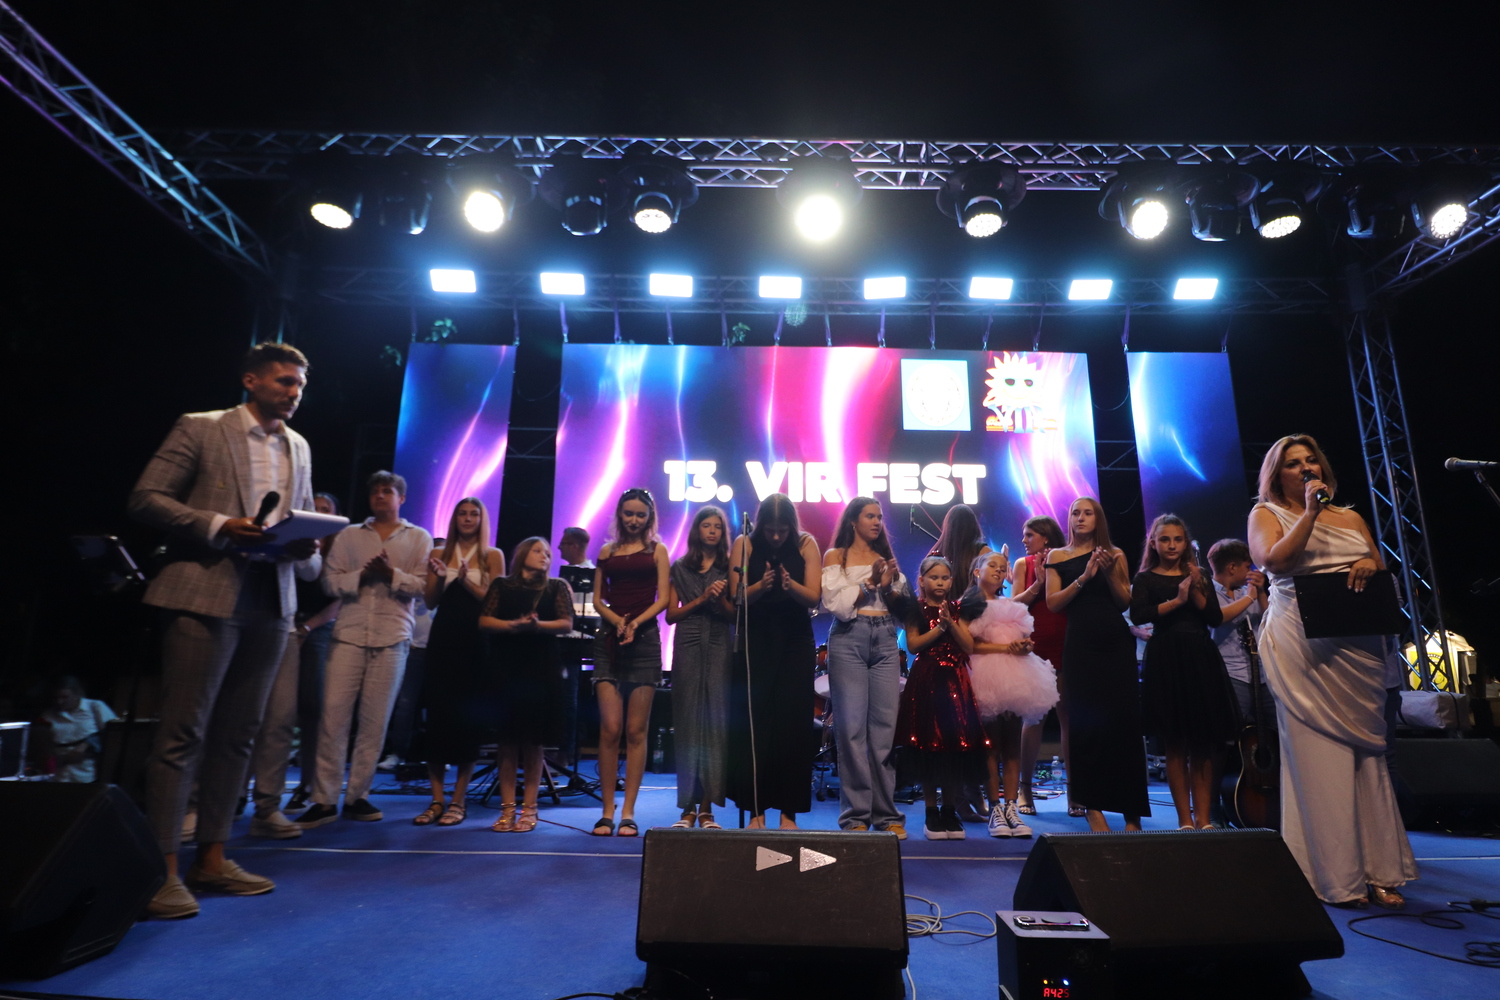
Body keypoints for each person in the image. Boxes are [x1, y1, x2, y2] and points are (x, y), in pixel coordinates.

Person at [128, 341, 317, 919]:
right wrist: (217, 524)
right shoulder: (202, 427)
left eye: (300, 385)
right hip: (203, 592)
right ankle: (160, 870)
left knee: (240, 735)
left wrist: (304, 547)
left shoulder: (299, 446)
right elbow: (145, 498)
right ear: (251, 380)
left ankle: (211, 858)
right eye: (284, 381)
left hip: (271, 598)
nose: (294, 393)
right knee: (183, 733)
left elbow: (301, 521)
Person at [1248, 434, 1417, 908]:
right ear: (1277, 474)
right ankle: (1335, 876)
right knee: (1319, 761)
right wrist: (1309, 512)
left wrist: (1366, 561)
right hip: (1302, 645)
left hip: (1357, 646)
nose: (1306, 468)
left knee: (1368, 758)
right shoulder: (1265, 514)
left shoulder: (1352, 517)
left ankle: (1380, 870)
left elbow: (1379, 567)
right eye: (1293, 463)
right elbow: (1273, 560)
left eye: (1311, 460)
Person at [298, 472, 432, 828]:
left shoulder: (419, 537)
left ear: (401, 498)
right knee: (333, 719)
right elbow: (329, 582)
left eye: (387, 491)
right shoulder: (349, 535)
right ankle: (324, 799)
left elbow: (422, 587)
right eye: (375, 491)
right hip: (349, 635)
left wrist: (390, 575)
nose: (380, 496)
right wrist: (362, 576)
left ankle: (358, 795)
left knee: (375, 721)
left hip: (393, 636)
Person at [1046, 497, 1147, 832]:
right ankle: (1092, 806)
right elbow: (1053, 603)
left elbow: (1124, 601)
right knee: (1085, 725)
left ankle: (1132, 813)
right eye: (1075, 512)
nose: (1081, 518)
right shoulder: (1057, 556)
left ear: (1098, 519)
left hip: (1115, 644)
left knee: (1124, 724)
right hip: (1081, 647)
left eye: (1088, 513)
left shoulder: (1114, 554)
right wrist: (1084, 577)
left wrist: (1108, 573)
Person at [1130, 514, 1237, 830]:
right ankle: (1184, 819)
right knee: (1174, 743)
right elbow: (1139, 614)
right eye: (1165, 539)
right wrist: (1177, 600)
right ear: (1154, 543)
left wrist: (1196, 588)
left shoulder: (1198, 574)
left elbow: (1214, 617)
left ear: (1185, 542)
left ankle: (1203, 818)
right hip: (1166, 657)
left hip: (1199, 656)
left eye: (1177, 539)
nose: (1171, 545)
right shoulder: (1146, 578)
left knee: (1202, 743)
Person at [727, 493, 821, 830]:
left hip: (795, 640)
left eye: (783, 530)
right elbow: (736, 597)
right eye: (770, 530)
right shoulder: (744, 543)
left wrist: (788, 585)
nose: (777, 536)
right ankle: (756, 811)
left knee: (793, 724)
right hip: (757, 639)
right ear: (761, 525)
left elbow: (813, 597)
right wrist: (761, 586)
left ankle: (788, 812)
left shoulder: (806, 544)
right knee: (757, 723)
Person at [821, 496, 910, 836]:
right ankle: (856, 816)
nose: (877, 522)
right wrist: (869, 584)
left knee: (884, 731)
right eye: (870, 516)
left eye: (880, 517)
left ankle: (886, 815)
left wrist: (888, 588)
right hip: (849, 639)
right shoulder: (836, 556)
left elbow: (903, 614)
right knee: (851, 730)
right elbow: (837, 605)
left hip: (885, 639)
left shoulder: (884, 559)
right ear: (853, 521)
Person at [413, 501, 504, 827]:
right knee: (437, 719)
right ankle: (437, 799)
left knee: (468, 724)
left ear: (481, 519)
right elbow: (430, 601)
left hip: (475, 643)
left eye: (473, 514)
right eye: (462, 514)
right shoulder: (440, 551)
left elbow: (496, 602)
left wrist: (465, 581)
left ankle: (458, 800)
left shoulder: (492, 555)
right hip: (443, 640)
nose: (467, 519)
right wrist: (440, 578)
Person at [479, 537, 575, 832]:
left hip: (541, 668)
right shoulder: (502, 585)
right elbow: (484, 621)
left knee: (535, 741)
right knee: (507, 741)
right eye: (537, 551)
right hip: (507, 667)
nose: (545, 556)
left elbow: (567, 623)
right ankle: (507, 808)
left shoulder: (556, 587)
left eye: (547, 552)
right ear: (522, 555)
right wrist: (512, 625)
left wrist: (536, 626)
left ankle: (529, 808)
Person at [590, 489, 671, 836]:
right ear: (619, 515)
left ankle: (628, 811)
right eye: (628, 513)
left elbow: (663, 599)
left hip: (645, 639)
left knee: (636, 731)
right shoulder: (606, 552)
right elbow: (597, 599)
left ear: (649, 517)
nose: (634, 520)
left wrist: (635, 623)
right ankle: (606, 811)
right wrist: (617, 622)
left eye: (640, 514)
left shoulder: (658, 551)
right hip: (609, 640)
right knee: (610, 728)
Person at [965, 551, 1058, 837]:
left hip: (1016, 676)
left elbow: (1024, 639)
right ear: (976, 572)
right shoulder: (970, 605)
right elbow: (969, 644)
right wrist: (1006, 649)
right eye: (991, 565)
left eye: (1002, 567)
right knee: (991, 745)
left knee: (1012, 746)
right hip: (986, 676)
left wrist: (1024, 647)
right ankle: (995, 807)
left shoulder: (1011, 605)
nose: (998, 570)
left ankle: (1011, 807)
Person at [896, 556, 987, 840]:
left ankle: (949, 810)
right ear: (921, 580)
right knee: (928, 746)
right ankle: (930, 811)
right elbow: (913, 645)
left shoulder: (959, 609)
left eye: (945, 578)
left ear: (951, 581)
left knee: (953, 747)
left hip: (956, 683)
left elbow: (968, 645)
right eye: (934, 577)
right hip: (927, 682)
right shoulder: (916, 608)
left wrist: (951, 623)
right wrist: (940, 628)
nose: (940, 582)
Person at [665, 506, 735, 830]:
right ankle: (687, 809)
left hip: (720, 641)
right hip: (688, 642)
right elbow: (671, 615)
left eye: (717, 526)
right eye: (706, 525)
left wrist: (719, 601)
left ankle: (707, 810)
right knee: (688, 723)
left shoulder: (729, 567)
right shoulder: (680, 567)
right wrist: (703, 598)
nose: (712, 531)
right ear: (697, 530)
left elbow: (734, 616)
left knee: (715, 723)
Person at [1009, 515, 1069, 816]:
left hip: (1067, 644)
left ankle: (1076, 792)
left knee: (1069, 720)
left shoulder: (1067, 560)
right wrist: (1039, 584)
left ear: (1046, 536)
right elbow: (1014, 605)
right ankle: (1025, 789)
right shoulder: (1024, 564)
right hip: (1036, 647)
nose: (1024, 540)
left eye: (1029, 534)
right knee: (1034, 719)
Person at [1207, 539, 1272, 739]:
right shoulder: (1207, 592)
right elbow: (1218, 618)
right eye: (1247, 567)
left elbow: (1269, 621)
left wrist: (1260, 593)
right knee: (1232, 734)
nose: (1251, 571)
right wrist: (1249, 598)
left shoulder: (1247, 591)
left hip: (1262, 673)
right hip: (1231, 674)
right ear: (1232, 568)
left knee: (1274, 730)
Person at [41, 676, 116, 783]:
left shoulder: (95, 707)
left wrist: (88, 745)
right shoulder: (48, 715)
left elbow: (113, 735)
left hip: (89, 772)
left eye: (65, 697)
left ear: (76, 694)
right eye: (56, 698)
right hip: (59, 775)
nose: (60, 701)